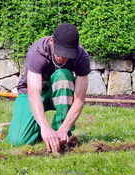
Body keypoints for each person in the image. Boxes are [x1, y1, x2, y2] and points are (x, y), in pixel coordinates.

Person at [7, 23, 91, 153]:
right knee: (18, 140)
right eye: (60, 52)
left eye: (67, 53)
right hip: (32, 93)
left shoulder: (82, 57)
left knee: (63, 74)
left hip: (58, 92)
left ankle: (61, 133)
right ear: (51, 41)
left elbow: (79, 98)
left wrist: (65, 128)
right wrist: (44, 127)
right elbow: (34, 93)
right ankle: (42, 131)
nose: (62, 57)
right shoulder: (38, 51)